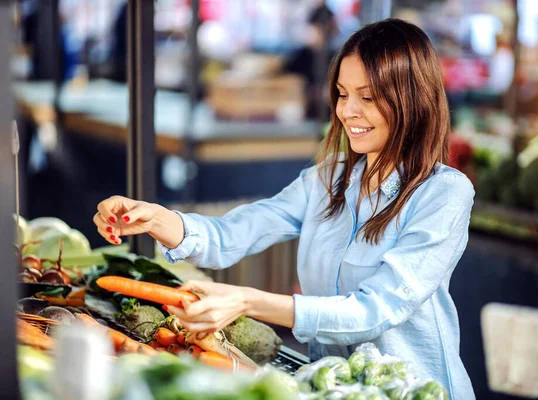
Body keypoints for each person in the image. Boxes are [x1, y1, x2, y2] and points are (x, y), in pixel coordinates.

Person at [93, 18, 476, 399]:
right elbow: (235, 233)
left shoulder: (444, 193)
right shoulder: (327, 181)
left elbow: (374, 311)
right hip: (334, 389)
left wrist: (247, 300)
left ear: (411, 98)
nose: (348, 111)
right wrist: (155, 218)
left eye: (368, 97)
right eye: (342, 94)